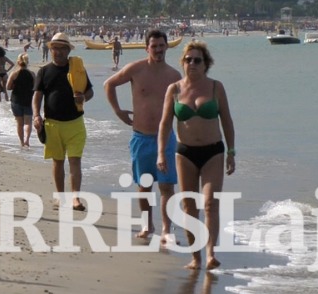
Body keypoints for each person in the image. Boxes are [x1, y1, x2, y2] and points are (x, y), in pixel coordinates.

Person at [159, 40, 235, 270]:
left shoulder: (216, 87)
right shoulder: (174, 89)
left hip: (213, 152)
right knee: (189, 206)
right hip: (185, 153)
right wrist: (161, 153)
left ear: (206, 64)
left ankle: (210, 254)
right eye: (188, 59)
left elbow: (227, 121)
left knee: (210, 203)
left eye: (197, 60)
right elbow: (165, 124)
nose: (192, 63)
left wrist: (231, 152)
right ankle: (196, 257)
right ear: (182, 63)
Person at [105, 29, 181, 242]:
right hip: (141, 137)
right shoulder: (136, 69)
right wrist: (118, 111)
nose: (158, 50)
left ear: (167, 46)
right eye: (154, 46)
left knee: (167, 186)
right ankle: (148, 225)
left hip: (165, 139)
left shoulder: (174, 76)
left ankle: (167, 230)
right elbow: (109, 84)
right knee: (144, 184)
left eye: (161, 45)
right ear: (147, 48)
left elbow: (181, 108)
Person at [32, 33, 93, 208]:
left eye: (61, 48)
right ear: (50, 50)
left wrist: (83, 98)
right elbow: (37, 96)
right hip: (52, 124)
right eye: (55, 48)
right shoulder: (44, 71)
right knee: (58, 161)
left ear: (68, 51)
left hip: (75, 123)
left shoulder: (77, 69)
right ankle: (60, 196)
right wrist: (36, 115)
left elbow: (90, 91)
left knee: (75, 160)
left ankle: (76, 198)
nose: (58, 52)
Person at [6, 53, 37, 146]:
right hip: (28, 100)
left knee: (19, 123)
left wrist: (15, 86)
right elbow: (36, 87)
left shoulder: (14, 74)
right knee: (28, 122)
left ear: (18, 62)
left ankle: (21, 142)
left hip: (16, 100)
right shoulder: (32, 74)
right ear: (27, 62)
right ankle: (27, 140)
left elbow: (8, 87)